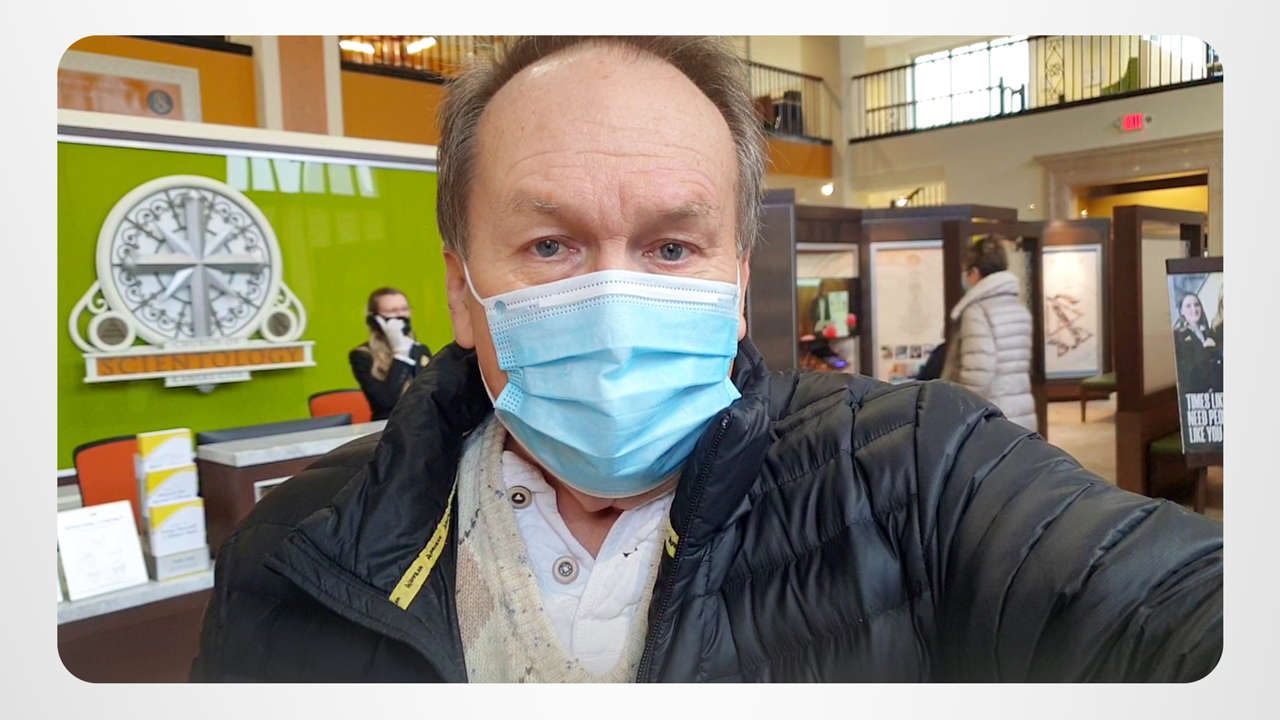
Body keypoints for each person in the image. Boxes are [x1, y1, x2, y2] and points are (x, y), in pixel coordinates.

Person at [193, 36, 1221, 683]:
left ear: (734, 283)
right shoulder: (295, 553)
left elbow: (1166, 606)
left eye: (670, 248)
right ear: (463, 291)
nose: (612, 297)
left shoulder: (921, 471)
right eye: (549, 245)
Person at [940, 237, 1036, 430]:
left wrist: (960, 412)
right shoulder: (1018, 308)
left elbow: (978, 374)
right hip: (1020, 410)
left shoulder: (977, 312)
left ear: (974, 273)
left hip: (991, 417)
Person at [349, 287, 432, 420]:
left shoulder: (419, 349)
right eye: (392, 311)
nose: (401, 315)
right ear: (374, 319)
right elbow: (386, 402)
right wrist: (400, 354)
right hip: (388, 425)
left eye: (404, 309)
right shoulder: (362, 356)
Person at [1173, 290, 1223, 395]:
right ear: (1181, 311)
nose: (1194, 309)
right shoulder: (1177, 336)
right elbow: (1185, 371)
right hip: (1194, 393)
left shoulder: (1208, 332)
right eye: (1188, 306)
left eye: (1196, 305)